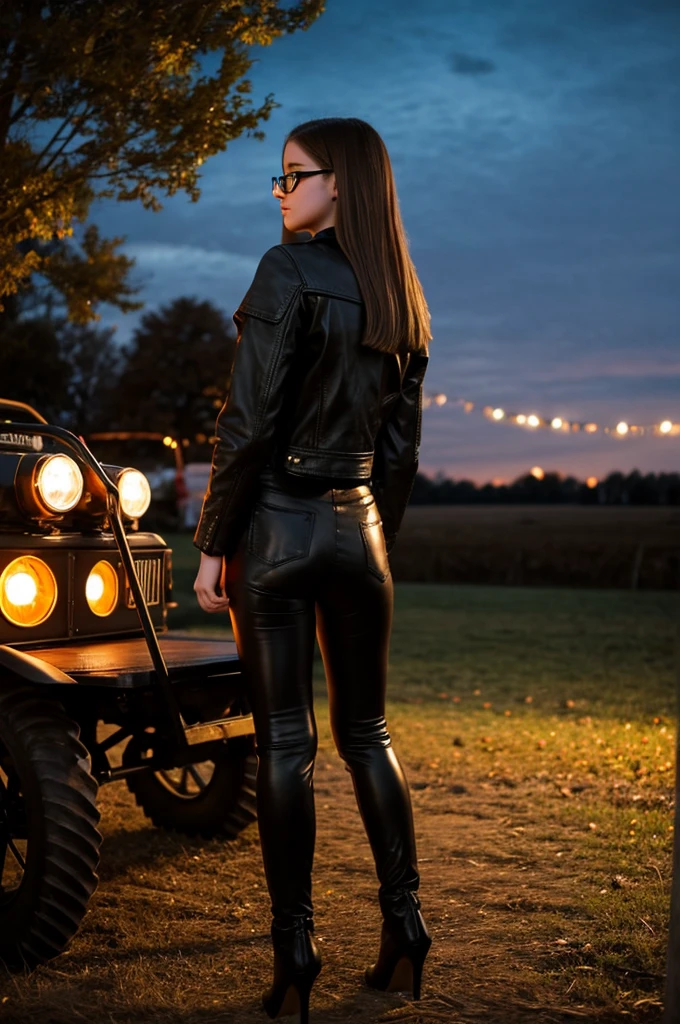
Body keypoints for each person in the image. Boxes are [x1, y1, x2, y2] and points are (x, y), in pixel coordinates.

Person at [193, 117, 431, 1023]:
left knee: (285, 743)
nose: (281, 191)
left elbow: (247, 423)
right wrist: (371, 545)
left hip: (280, 529)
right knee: (367, 732)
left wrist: (215, 543)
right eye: (280, 177)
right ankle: (404, 931)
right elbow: (401, 454)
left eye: (295, 174)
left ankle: (295, 956)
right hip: (361, 529)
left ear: (344, 184)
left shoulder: (285, 271)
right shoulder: (403, 293)